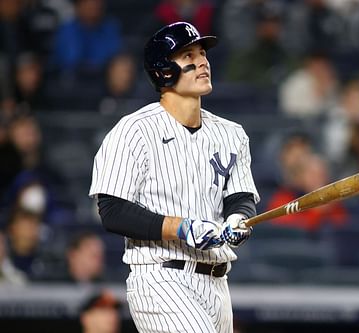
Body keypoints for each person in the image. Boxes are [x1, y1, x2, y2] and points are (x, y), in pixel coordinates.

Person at [89, 22, 260, 333]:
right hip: (161, 275)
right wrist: (181, 227)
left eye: (202, 53)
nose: (202, 62)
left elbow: (241, 196)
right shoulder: (134, 131)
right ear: (163, 70)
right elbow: (112, 210)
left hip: (218, 284)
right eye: (188, 55)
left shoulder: (232, 134)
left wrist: (239, 218)